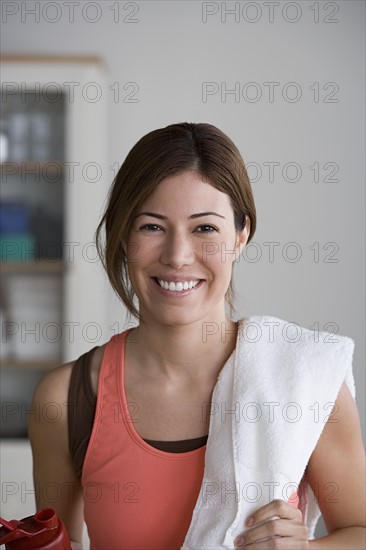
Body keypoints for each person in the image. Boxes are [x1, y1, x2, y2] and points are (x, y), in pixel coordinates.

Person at [28, 122, 365, 550]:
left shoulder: (305, 381)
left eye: (205, 228)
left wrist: (307, 549)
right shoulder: (66, 400)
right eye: (151, 226)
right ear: (122, 237)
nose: (177, 256)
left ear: (240, 236)